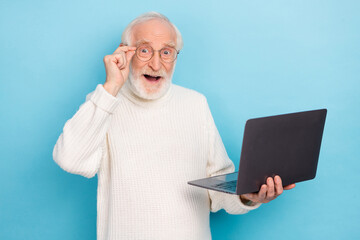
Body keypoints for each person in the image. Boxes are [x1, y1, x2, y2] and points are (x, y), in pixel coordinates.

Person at [53, 12, 295, 240]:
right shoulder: (103, 103)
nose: (156, 64)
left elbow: (218, 189)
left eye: (167, 52)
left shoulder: (196, 104)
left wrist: (247, 195)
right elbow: (70, 160)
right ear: (125, 52)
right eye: (145, 50)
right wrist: (112, 87)